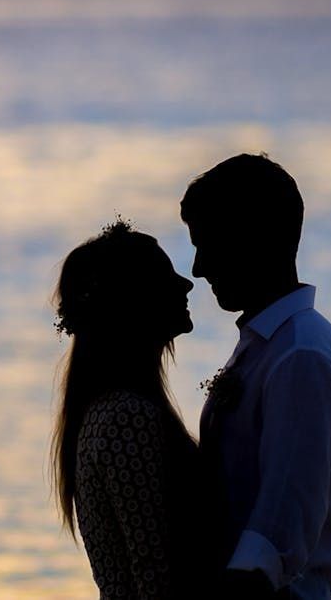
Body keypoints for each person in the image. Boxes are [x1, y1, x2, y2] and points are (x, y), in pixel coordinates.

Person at [181, 154, 331, 599]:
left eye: (209, 244)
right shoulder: (271, 343)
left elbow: (281, 525)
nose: (198, 269)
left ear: (252, 239)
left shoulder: (300, 355)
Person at [51, 220, 214, 599]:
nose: (186, 283)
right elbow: (154, 570)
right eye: (165, 275)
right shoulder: (126, 417)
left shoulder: (107, 412)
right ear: (134, 300)